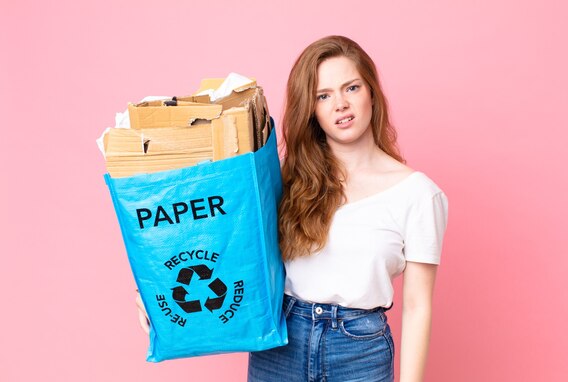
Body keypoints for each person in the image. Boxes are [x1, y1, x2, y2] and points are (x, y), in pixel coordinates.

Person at [137, 35, 448, 382]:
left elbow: (418, 306)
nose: (340, 104)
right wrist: (157, 289)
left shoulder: (419, 195)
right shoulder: (288, 180)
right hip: (281, 343)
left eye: (352, 88)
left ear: (372, 93)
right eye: (323, 96)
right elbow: (222, 240)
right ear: (312, 110)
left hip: (359, 350)